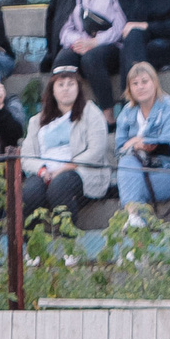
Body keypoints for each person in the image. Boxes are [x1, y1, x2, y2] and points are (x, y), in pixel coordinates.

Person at [111, 58, 170, 221]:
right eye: (135, 83)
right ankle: (137, 222)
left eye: (145, 81)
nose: (140, 87)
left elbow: (167, 150)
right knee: (126, 164)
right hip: (141, 170)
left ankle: (137, 227)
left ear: (155, 83)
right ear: (129, 89)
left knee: (131, 189)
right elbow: (120, 151)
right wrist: (139, 145)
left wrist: (138, 142)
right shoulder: (127, 112)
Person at [23, 62, 111, 222]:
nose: (66, 88)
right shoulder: (36, 121)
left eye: (71, 84)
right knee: (29, 193)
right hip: (45, 172)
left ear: (78, 88)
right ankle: (31, 243)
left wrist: (66, 167)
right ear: (53, 90)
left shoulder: (91, 113)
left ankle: (68, 239)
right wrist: (42, 171)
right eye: (61, 84)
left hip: (80, 171)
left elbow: (96, 150)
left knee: (59, 187)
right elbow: (27, 157)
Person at [44, 0, 126, 107]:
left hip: (109, 47)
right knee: (63, 59)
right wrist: (78, 42)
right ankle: (60, 113)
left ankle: (108, 114)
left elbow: (120, 25)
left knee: (91, 58)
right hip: (78, 44)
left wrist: (94, 42)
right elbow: (63, 27)